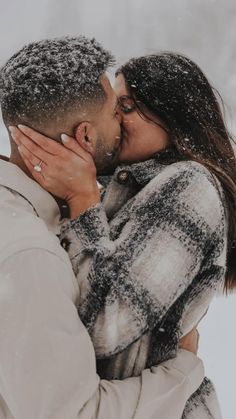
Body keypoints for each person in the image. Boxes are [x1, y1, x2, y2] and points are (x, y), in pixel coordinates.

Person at [12, 51, 236, 419]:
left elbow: (106, 328)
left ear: (172, 115)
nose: (113, 119)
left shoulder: (189, 185)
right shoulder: (120, 186)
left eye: (126, 107)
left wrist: (81, 200)